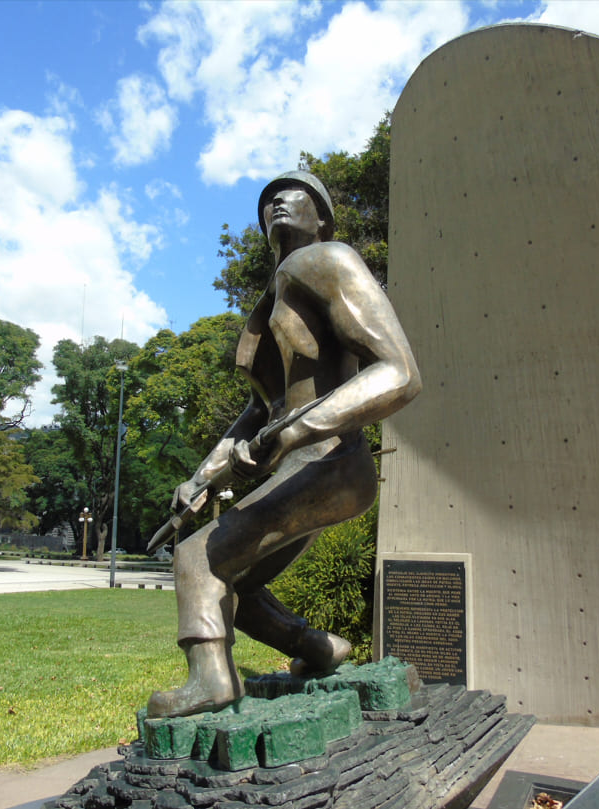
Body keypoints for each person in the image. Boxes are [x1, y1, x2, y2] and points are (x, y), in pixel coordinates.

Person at [148, 170, 421, 718]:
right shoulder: (281, 288)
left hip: (327, 458)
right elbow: (259, 412)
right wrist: (201, 478)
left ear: (323, 217)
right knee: (241, 585)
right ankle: (318, 648)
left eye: (294, 194)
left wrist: (297, 430)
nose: (276, 201)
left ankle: (210, 683)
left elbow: (399, 373)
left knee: (197, 560)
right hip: (301, 462)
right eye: (266, 199)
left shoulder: (327, 259)